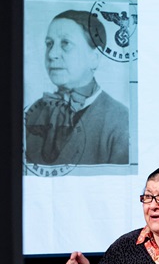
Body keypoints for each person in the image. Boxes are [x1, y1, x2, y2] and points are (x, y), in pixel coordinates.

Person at [25, 10, 129, 165]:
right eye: (49, 44)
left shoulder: (121, 121)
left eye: (65, 43)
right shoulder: (35, 111)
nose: (52, 54)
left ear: (94, 58)